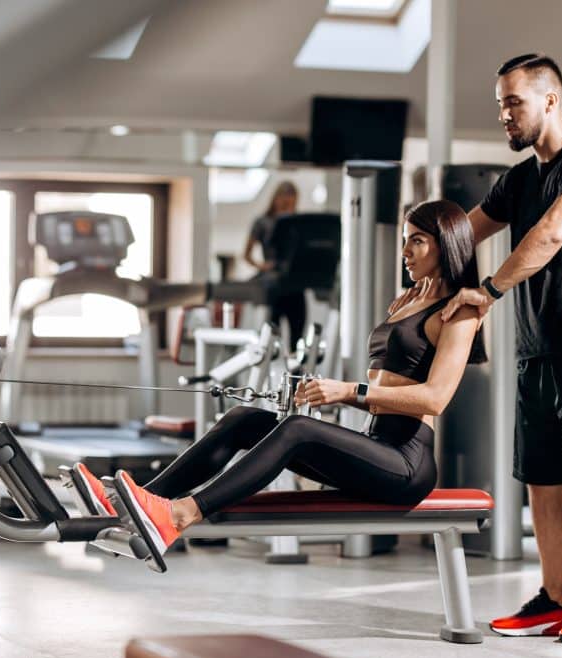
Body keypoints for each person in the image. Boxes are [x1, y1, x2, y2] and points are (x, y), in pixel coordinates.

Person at [75, 199, 487, 567]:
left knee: (297, 429)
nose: (405, 253)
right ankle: (131, 504)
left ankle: (181, 514)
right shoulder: (409, 301)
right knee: (245, 419)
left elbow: (434, 399)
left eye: (416, 241)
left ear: (444, 242)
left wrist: (347, 391)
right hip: (376, 447)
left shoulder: (459, 313)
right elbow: (385, 398)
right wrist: (327, 393)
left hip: (406, 464)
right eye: (404, 240)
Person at [440, 54, 562, 644]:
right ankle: (556, 596)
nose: (504, 114)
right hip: (536, 350)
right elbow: (467, 231)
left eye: (513, 102)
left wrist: (489, 290)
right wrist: (422, 246)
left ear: (551, 100)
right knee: (541, 478)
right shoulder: (520, 177)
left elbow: (549, 234)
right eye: (500, 103)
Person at [242, 180, 306, 347]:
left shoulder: (298, 223)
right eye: (285, 202)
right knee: (270, 337)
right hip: (273, 286)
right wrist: (262, 266)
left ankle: (295, 371)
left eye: (292, 203)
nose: (288, 207)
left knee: (297, 340)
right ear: (277, 199)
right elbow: (246, 254)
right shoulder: (262, 222)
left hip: (294, 285)